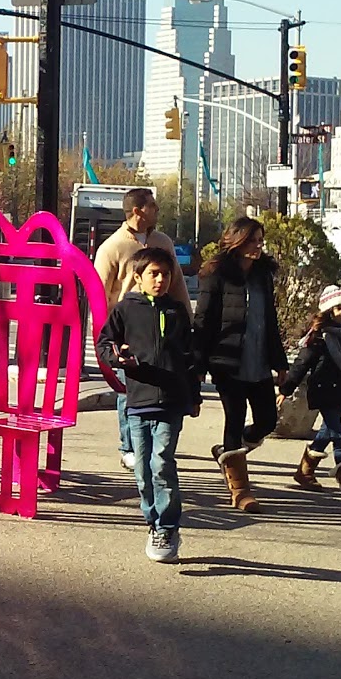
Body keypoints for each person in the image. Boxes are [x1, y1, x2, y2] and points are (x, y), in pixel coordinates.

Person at [96, 247, 201, 562]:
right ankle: (152, 521)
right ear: (138, 277)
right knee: (142, 471)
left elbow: (191, 358)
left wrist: (193, 396)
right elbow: (104, 343)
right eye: (154, 273)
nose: (160, 279)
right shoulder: (126, 309)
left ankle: (167, 527)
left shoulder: (177, 311)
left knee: (161, 463)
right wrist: (118, 357)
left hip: (172, 401)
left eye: (166, 274)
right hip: (138, 401)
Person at [192, 216, 287, 513]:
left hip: (258, 361)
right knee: (234, 418)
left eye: (260, 240)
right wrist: (198, 364)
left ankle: (228, 454)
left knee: (268, 421)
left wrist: (280, 361)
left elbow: (270, 321)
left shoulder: (262, 275)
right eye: (252, 240)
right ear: (238, 240)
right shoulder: (216, 273)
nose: (258, 246)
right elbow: (203, 321)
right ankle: (240, 489)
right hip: (227, 361)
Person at [93, 187, 191, 472]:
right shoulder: (111, 247)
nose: (157, 211)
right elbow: (99, 292)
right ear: (138, 210)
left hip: (164, 325)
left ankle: (154, 442)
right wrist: (104, 336)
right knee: (128, 389)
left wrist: (186, 316)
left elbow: (178, 284)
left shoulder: (163, 242)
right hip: (128, 329)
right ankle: (129, 447)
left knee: (162, 385)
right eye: (153, 206)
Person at [277, 285, 341, 508]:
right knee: (339, 437)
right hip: (323, 391)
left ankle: (304, 472)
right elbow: (301, 365)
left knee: (326, 434)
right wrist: (285, 390)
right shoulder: (319, 339)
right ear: (329, 312)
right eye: (338, 308)